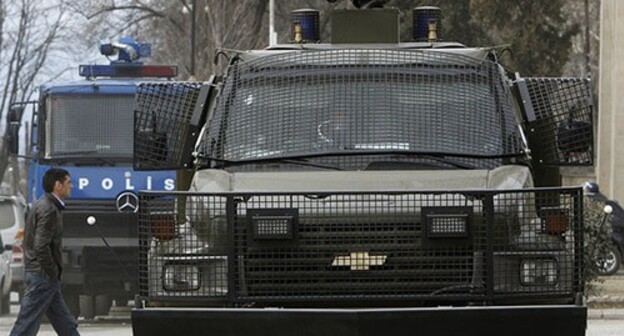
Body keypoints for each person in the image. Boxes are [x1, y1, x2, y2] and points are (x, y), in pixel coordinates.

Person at [11, 168, 80, 336]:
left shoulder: (44, 204)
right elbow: (40, 246)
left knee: (64, 322)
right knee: (26, 324)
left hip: (43, 275)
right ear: (58, 185)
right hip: (42, 275)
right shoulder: (49, 209)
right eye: (68, 182)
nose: (72, 186)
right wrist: (52, 271)